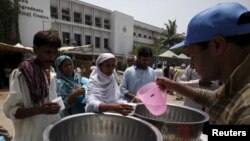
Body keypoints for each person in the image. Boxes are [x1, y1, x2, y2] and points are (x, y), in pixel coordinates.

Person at [157, 2, 250, 124]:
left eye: (192, 56)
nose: (192, 65)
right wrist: (174, 86)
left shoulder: (245, 110)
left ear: (217, 45)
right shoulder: (236, 85)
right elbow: (213, 98)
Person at [3, 30, 62, 141]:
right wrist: (40, 110)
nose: (52, 57)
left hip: (50, 132)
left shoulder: (52, 72)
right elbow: (10, 111)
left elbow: (51, 99)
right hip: (30, 136)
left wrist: (56, 107)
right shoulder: (21, 75)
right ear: (35, 49)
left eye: (55, 53)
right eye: (48, 52)